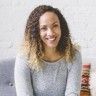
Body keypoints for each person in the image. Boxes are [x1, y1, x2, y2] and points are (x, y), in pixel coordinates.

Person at [14, 5, 82, 96]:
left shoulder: (74, 55)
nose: (51, 33)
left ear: (61, 27)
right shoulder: (24, 57)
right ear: (36, 32)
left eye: (55, 26)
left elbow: (72, 93)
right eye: (43, 28)